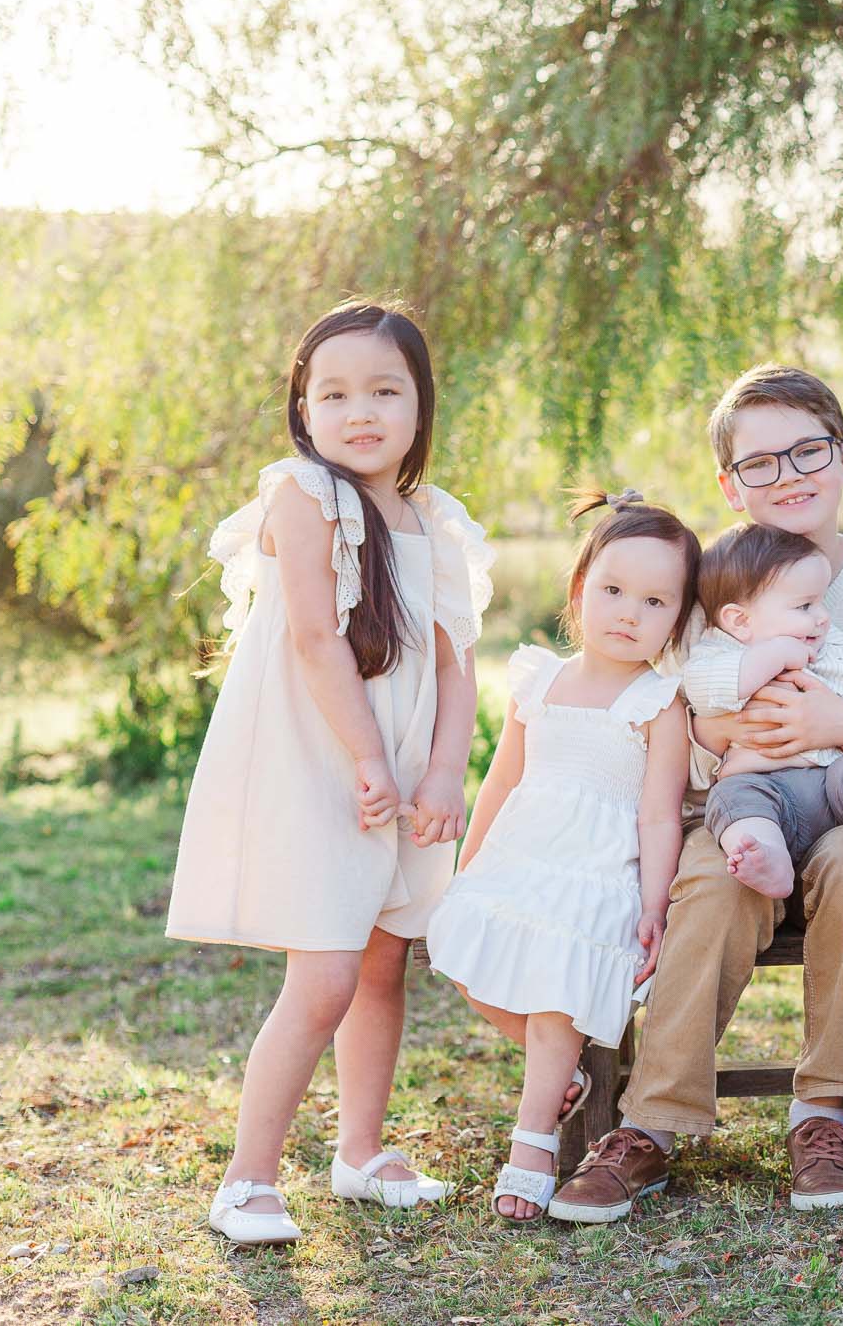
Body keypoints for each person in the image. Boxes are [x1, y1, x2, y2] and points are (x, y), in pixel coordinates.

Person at [549, 364, 843, 1222]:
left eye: (808, 451)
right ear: (729, 485)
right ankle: (651, 1125)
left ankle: (823, 1112)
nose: (789, 474)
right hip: (733, 805)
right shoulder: (706, 584)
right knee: (717, 880)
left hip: (842, 806)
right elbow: (669, 702)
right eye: (761, 463)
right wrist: (719, 733)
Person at [166, 302, 495, 1245]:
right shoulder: (303, 495)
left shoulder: (432, 515)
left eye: (386, 390)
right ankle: (247, 1178)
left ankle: (360, 1150)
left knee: (386, 958)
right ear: (303, 408)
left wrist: (442, 773)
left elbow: (455, 660)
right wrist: (365, 758)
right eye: (335, 392)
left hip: (400, 759)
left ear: (420, 406)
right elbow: (314, 637)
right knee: (324, 973)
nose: (361, 411)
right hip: (321, 752)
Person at [425, 491, 696, 1221]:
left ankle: (534, 1136)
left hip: (599, 870)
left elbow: (658, 811)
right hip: (523, 853)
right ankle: (561, 1069)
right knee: (458, 945)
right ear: (580, 590)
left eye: (654, 600)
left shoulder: (658, 700)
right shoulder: (539, 679)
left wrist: (653, 903)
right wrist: (469, 862)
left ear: (678, 618)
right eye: (612, 590)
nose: (628, 612)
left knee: (554, 988)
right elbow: (503, 778)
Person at [682, 522, 843, 899]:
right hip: (761, 786)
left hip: (830, 782)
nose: (822, 617)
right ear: (740, 621)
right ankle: (769, 862)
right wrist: (771, 657)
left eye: (821, 602)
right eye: (805, 606)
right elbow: (700, 690)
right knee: (731, 801)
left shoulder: (833, 650)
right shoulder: (719, 653)